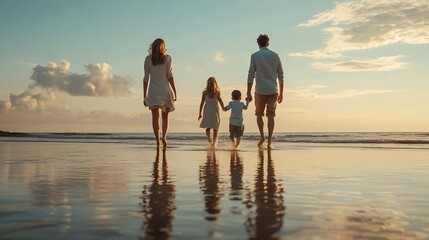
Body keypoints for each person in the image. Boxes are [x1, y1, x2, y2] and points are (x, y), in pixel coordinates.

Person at [246, 34, 284, 149]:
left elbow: (250, 74)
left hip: (260, 90)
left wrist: (248, 92)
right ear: (268, 42)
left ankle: (262, 136)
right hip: (273, 89)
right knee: (271, 115)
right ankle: (269, 141)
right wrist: (282, 93)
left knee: (259, 114)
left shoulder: (255, 56)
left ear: (258, 44)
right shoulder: (275, 55)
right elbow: (281, 75)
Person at [143, 38, 177, 148]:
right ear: (163, 47)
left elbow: (146, 79)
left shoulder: (148, 59)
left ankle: (157, 141)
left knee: (155, 117)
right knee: (165, 117)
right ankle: (164, 138)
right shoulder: (168, 58)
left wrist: (145, 96)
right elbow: (169, 75)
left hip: (153, 91)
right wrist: (175, 91)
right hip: (165, 90)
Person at [198, 77, 225, 147]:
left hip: (209, 112)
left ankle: (210, 140)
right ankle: (213, 142)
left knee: (209, 127)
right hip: (213, 112)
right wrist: (223, 108)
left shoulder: (209, 93)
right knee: (215, 128)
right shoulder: (214, 93)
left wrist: (200, 113)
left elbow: (202, 104)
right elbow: (221, 101)